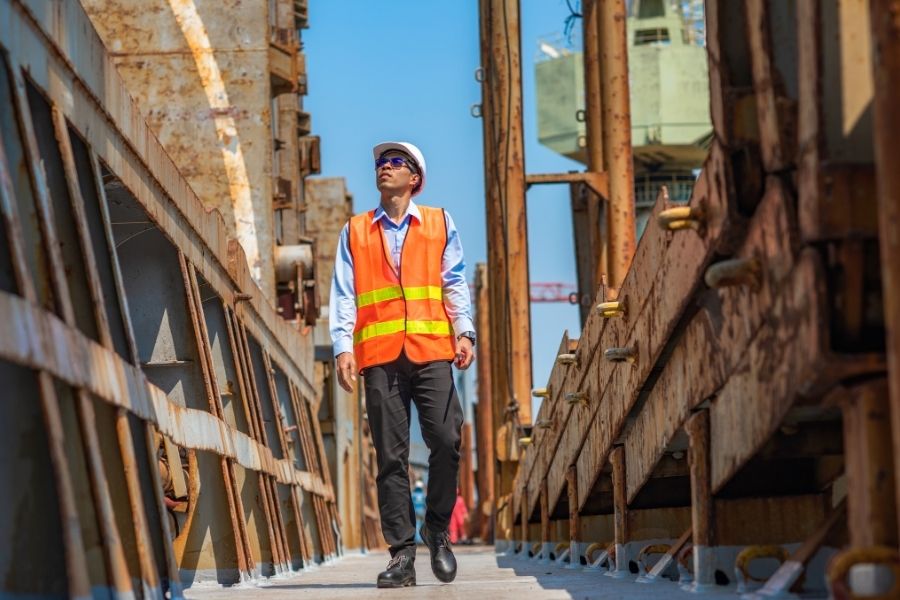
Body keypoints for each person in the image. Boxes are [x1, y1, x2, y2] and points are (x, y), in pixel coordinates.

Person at [329, 141, 476, 588]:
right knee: (389, 457)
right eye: (380, 163)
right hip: (380, 357)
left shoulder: (438, 223)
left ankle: (436, 528)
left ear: (415, 178)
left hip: (432, 350)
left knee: (447, 440)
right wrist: (342, 347)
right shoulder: (355, 231)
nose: (384, 168)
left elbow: (453, 280)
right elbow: (343, 293)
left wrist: (464, 331)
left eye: (395, 163)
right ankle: (402, 555)